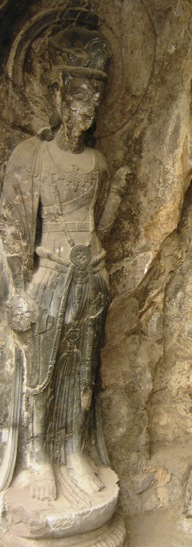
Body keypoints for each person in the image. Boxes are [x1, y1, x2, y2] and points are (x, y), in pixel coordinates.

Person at [0, 26, 124, 502]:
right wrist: (17, 292)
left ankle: (73, 450)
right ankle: (37, 458)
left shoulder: (98, 163)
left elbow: (99, 223)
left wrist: (118, 193)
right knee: (42, 373)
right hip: (48, 277)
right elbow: (13, 228)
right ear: (57, 97)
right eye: (77, 97)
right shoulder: (32, 156)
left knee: (81, 372)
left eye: (94, 99)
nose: (86, 108)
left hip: (90, 278)